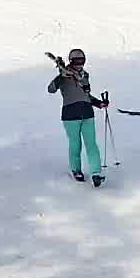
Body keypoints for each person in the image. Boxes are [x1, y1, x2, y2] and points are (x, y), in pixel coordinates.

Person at [48, 48, 109, 186]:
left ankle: (96, 173)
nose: (80, 64)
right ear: (71, 61)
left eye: (82, 61)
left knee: (91, 144)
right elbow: (50, 89)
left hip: (87, 113)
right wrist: (61, 77)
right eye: (77, 61)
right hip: (70, 115)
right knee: (76, 144)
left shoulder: (85, 75)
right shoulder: (64, 76)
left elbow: (85, 95)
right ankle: (76, 170)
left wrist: (99, 103)